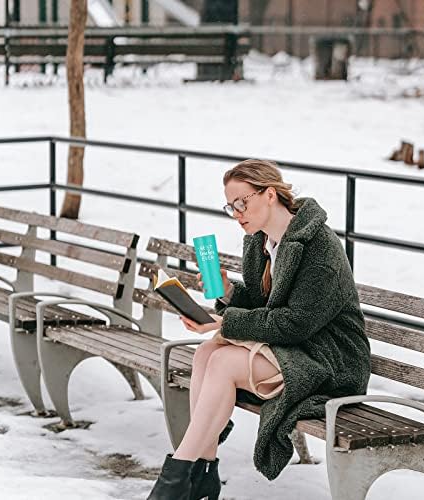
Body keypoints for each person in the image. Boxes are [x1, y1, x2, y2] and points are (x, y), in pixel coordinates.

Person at [147, 159, 371, 500]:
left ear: (269, 195)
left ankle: (175, 483)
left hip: (329, 359)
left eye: (242, 203)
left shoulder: (319, 247)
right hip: (293, 348)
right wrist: (229, 294)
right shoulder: (258, 240)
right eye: (231, 206)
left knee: (222, 362)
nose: (237, 214)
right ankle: (203, 471)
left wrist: (226, 322)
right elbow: (262, 303)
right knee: (207, 352)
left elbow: (295, 322)